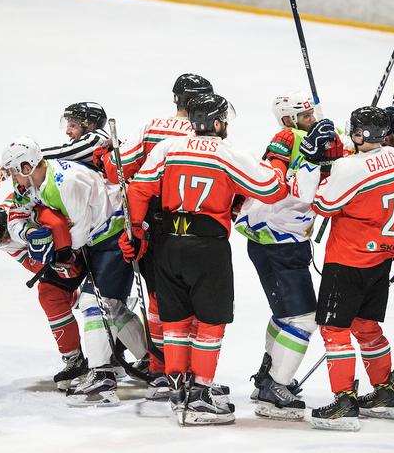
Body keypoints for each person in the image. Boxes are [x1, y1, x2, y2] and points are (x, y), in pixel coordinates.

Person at [121, 93, 288, 426]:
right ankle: (200, 393)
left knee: (177, 319)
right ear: (215, 123)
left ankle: (178, 386)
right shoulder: (229, 155)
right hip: (206, 248)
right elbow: (272, 190)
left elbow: (138, 189)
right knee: (210, 321)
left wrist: (135, 233)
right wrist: (279, 160)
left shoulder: (168, 148)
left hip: (168, 245)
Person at [0, 137, 147, 407]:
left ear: (26, 166)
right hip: (99, 240)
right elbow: (18, 214)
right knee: (109, 305)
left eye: (12, 171)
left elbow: (80, 228)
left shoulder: (67, 181)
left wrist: (62, 250)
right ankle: (151, 363)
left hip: (112, 237)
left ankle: (103, 378)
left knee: (96, 302)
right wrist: (32, 233)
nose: (11, 177)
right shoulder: (33, 182)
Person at [94, 73, 214, 400]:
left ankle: (164, 373)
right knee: (199, 306)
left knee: (163, 303)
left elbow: (118, 168)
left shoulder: (151, 127)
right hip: (203, 231)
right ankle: (193, 373)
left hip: (153, 227)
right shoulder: (208, 133)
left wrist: (104, 156)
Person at [294, 106, 394, 431]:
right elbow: (357, 168)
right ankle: (385, 392)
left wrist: (314, 160)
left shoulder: (348, 166)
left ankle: (344, 401)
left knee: (334, 330)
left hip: (348, 260)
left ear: (358, 134)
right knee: (367, 327)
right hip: (380, 258)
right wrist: (337, 158)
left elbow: (322, 204)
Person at [234, 91, 338, 420]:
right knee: (304, 319)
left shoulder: (311, 137)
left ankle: (268, 377)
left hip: (281, 239)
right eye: (305, 116)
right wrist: (316, 155)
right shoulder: (286, 137)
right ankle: (275, 388)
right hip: (276, 240)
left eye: (312, 115)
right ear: (289, 120)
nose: (312, 121)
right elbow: (275, 179)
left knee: (286, 315)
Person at [0, 197, 87, 391]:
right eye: (1, 242)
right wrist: (51, 258)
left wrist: (61, 241)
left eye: (4, 236)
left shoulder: (19, 207)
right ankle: (74, 358)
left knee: (103, 299)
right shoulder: (2, 239)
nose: (6, 241)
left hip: (87, 233)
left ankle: (137, 350)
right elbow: (31, 263)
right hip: (68, 254)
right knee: (49, 294)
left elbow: (53, 209)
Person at [42, 102, 110, 165]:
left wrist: (35, 154)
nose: (67, 132)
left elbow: (65, 152)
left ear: (91, 126)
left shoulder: (96, 139)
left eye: (73, 126)